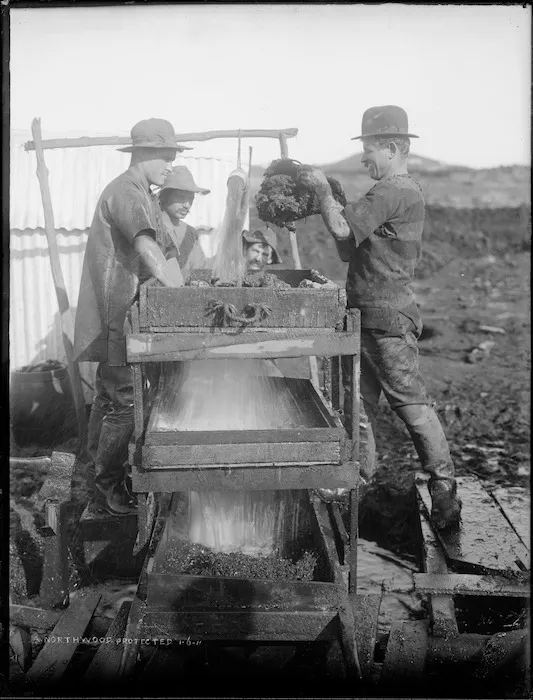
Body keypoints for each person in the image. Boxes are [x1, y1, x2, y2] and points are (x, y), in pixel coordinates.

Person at [299, 105, 461, 531]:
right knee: (359, 407)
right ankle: (360, 485)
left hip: (386, 321)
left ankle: (445, 493)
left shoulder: (393, 190)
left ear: (392, 148)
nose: (363, 159)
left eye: (369, 150)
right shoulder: (394, 192)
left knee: (410, 405)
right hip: (370, 318)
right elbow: (349, 249)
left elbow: (339, 230)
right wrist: (330, 200)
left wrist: (321, 190)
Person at [74, 118, 184, 516]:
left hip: (120, 312)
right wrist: (177, 294)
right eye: (165, 155)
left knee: (107, 397)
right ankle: (109, 485)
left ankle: (92, 473)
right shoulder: (126, 190)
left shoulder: (146, 194)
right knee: (124, 402)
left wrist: (180, 279)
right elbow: (144, 242)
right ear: (142, 154)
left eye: (173, 155)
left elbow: (167, 249)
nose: (170, 164)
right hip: (116, 312)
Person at [155, 166, 211, 279]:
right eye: (181, 197)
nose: (187, 205)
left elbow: (200, 269)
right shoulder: (151, 227)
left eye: (191, 199)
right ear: (164, 196)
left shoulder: (190, 233)